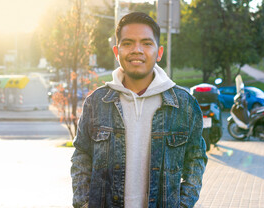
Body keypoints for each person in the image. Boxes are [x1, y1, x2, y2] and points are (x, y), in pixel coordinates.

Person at [71, 12, 208, 208]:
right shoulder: (96, 102)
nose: (137, 50)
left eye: (146, 43)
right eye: (127, 43)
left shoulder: (184, 105)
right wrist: (83, 203)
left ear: (159, 52)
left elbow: (196, 158)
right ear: (116, 52)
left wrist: (184, 204)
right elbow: (81, 154)